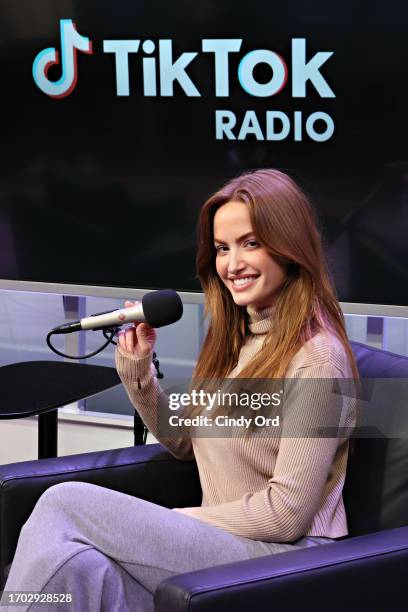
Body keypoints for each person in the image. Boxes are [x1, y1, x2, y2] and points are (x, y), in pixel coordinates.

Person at [2, 168, 358, 611]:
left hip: (287, 558)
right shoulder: (239, 337)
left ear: (289, 248)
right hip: (227, 541)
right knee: (79, 571)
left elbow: (287, 515)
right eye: (222, 249)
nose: (232, 265)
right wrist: (138, 371)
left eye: (251, 243)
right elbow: (184, 439)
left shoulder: (318, 359)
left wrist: (176, 522)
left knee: (64, 501)